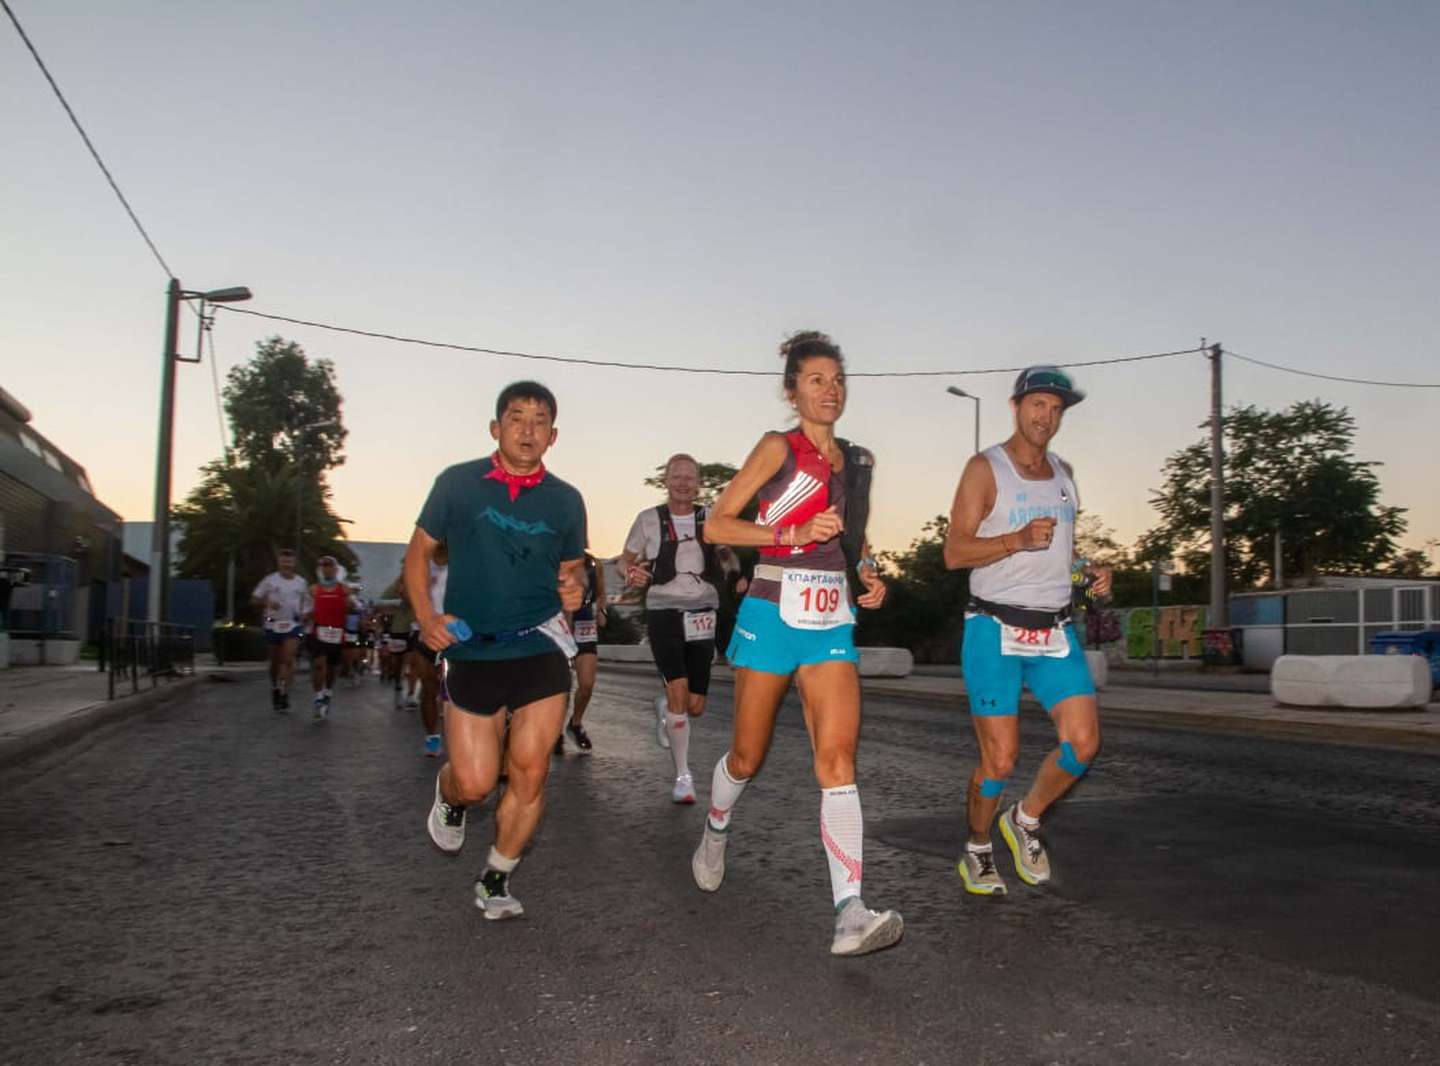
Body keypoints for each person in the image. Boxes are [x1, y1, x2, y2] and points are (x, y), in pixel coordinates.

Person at [689, 330, 902, 957]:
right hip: (772, 608)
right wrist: (792, 530)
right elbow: (718, 523)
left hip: (830, 614)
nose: (829, 390)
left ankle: (850, 912)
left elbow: (851, 539)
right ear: (793, 391)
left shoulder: (857, 462)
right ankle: (716, 824)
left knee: (837, 762)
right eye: (816, 380)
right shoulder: (777, 447)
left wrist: (866, 574)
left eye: (837, 380)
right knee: (747, 759)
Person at [408, 380, 588, 921]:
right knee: (477, 781)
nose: (527, 430)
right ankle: (449, 794)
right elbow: (417, 555)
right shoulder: (457, 485)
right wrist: (426, 619)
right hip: (472, 649)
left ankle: (496, 877)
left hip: (539, 644)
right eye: (517, 418)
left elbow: (569, 576)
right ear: (496, 428)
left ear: (553, 436)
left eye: (539, 421)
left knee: (531, 770)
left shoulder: (566, 500)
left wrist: (574, 597)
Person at [942, 365, 1111, 895]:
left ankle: (1026, 819)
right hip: (994, 626)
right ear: (1016, 407)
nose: (1047, 417)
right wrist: (1014, 540)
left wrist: (1089, 575)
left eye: (1056, 409)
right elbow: (954, 552)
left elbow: (1061, 554)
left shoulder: (1063, 472)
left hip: (1055, 630)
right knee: (1001, 757)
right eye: (1038, 405)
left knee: (1083, 744)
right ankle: (976, 847)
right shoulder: (984, 468)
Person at [619, 455, 745, 803]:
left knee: (694, 705)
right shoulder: (648, 520)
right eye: (677, 476)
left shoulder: (711, 518)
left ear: (698, 482)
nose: (683, 483)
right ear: (667, 480)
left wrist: (735, 573)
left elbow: (726, 555)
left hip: (703, 609)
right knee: (678, 692)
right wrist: (630, 571)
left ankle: (664, 706)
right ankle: (683, 776)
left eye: (690, 477)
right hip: (664, 609)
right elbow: (624, 559)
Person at [555, 551, 605, 756]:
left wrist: (602, 611)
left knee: (586, 684)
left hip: (585, 627)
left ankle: (575, 724)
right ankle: (555, 732)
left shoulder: (594, 564)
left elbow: (600, 593)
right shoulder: (554, 562)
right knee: (561, 688)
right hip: (559, 628)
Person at [251, 548, 308, 711]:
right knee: (275, 663)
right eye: (284, 559)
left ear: (294, 562)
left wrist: (305, 615)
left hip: (292, 625)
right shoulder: (270, 580)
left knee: (288, 659)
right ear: (279, 561)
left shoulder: (301, 582)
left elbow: (307, 603)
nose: (287, 562)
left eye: (290, 560)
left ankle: (284, 693)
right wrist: (267, 604)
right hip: (273, 624)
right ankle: (275, 687)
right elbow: (254, 599)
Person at [408, 543, 449, 757]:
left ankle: (462, 739)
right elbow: (403, 590)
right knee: (429, 690)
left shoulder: (466, 562)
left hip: (455, 638)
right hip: (426, 636)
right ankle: (432, 736)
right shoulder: (422, 563)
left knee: (455, 694)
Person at [305, 555, 357, 722]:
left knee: (331, 668)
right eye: (324, 566)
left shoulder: (344, 589)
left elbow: (353, 607)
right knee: (318, 664)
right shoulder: (313, 589)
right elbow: (306, 610)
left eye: (330, 566)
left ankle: (328, 691)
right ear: (321, 569)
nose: (327, 569)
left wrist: (349, 603)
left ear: (335, 569)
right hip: (318, 631)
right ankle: (318, 697)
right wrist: (306, 615)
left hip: (336, 633)